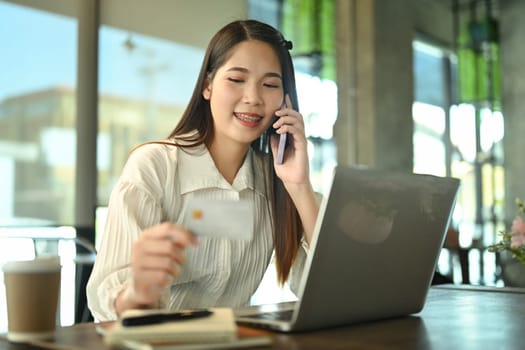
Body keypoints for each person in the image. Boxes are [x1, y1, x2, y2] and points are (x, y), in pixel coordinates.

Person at [86, 19, 320, 321]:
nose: (253, 98)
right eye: (236, 79)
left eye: (270, 84)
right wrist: (137, 293)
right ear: (207, 85)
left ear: (285, 101)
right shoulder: (156, 166)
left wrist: (300, 186)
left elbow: (329, 289)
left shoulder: (275, 181)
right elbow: (107, 303)